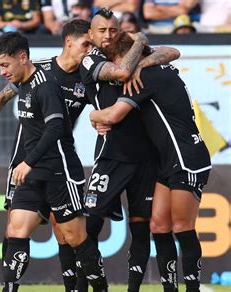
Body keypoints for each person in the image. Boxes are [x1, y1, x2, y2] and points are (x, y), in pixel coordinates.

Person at [0, 19, 95, 292]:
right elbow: (2, 97)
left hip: (57, 163)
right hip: (24, 163)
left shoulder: (88, 78)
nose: (90, 49)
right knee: (14, 227)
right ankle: (9, 286)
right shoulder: (37, 71)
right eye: (87, 43)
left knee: (66, 235)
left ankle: (77, 286)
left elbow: (70, 121)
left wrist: (103, 117)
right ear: (69, 42)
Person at [89, 31, 211, 292]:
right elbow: (172, 52)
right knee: (158, 224)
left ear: (130, 56)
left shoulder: (146, 76)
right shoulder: (156, 65)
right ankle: (170, 287)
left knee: (182, 227)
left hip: (186, 156)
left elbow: (112, 117)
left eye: (121, 60)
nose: (121, 68)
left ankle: (193, 288)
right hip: (166, 160)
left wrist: (93, 114)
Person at [0, 31, 108, 292]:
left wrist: (28, 161)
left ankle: (101, 288)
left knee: (75, 238)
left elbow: (55, 127)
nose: (2, 72)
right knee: (16, 230)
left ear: (23, 58)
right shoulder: (24, 82)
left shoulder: (46, 85)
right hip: (32, 175)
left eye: (5, 65)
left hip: (60, 172)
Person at [79, 7, 180, 292]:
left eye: (113, 29)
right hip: (111, 156)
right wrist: (139, 46)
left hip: (146, 157)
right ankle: (86, 286)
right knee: (90, 226)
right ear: (91, 34)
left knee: (141, 228)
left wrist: (141, 63)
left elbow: (172, 52)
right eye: (102, 30)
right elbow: (122, 74)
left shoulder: (132, 54)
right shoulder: (91, 60)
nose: (108, 35)